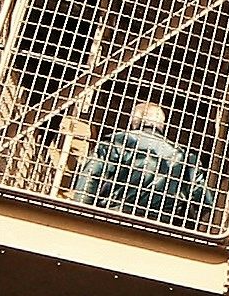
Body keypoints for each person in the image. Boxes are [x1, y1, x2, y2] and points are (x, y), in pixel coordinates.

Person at [69, 96, 211, 232]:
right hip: (160, 226)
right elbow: (203, 200)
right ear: (162, 125)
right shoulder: (184, 158)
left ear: (133, 122)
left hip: (114, 217)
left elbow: (91, 175)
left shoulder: (119, 141)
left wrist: (79, 216)